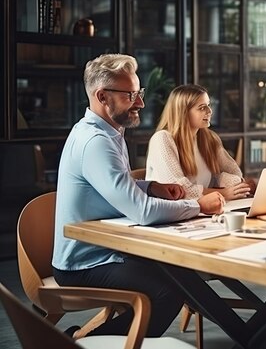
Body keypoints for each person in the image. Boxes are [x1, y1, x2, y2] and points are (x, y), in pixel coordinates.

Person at [52, 54, 225, 338]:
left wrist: (150, 186)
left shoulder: (107, 132)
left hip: (107, 250)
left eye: (139, 93)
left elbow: (113, 188)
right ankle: (81, 345)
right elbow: (142, 211)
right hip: (84, 262)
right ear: (102, 96)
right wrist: (197, 205)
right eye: (131, 95)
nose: (141, 103)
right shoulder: (96, 142)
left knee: (178, 270)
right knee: (167, 294)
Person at [146, 84, 254, 201]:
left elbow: (235, 172)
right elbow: (178, 190)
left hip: (201, 211)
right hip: (170, 214)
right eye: (202, 108)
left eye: (208, 105)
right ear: (183, 112)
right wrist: (223, 193)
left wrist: (221, 179)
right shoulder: (162, 139)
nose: (209, 111)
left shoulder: (209, 138)